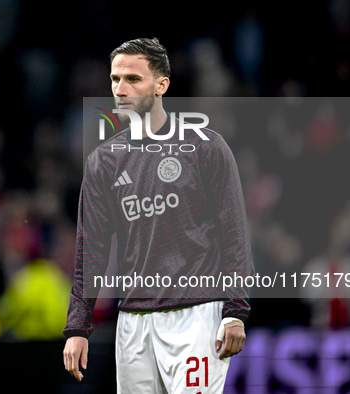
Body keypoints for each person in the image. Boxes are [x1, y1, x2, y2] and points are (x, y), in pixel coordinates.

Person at [63, 38, 254, 393]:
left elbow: (234, 232)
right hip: (133, 319)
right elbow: (92, 250)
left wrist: (235, 310)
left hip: (197, 314)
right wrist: (78, 326)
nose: (120, 89)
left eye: (133, 79)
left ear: (161, 85)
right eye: (115, 79)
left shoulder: (205, 147)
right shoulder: (103, 162)